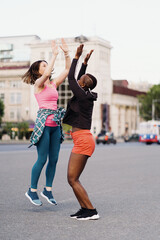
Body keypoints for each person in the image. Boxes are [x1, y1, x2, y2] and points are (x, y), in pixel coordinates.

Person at [22, 38, 71, 206]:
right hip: (43, 126)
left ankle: (47, 189)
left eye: (46, 64)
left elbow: (67, 69)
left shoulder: (53, 84)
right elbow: (45, 73)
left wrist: (66, 53)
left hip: (55, 125)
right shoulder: (38, 84)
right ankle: (32, 190)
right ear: (37, 71)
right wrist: (53, 55)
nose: (46, 67)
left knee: (55, 159)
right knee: (42, 159)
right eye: (43, 66)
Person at [63, 44, 100, 220]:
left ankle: (91, 210)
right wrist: (84, 63)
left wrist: (76, 57)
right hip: (82, 139)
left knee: (72, 178)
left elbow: (71, 78)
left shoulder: (84, 97)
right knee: (73, 178)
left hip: (83, 140)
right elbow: (77, 78)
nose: (78, 80)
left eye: (81, 79)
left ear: (83, 84)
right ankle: (84, 209)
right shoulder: (84, 94)